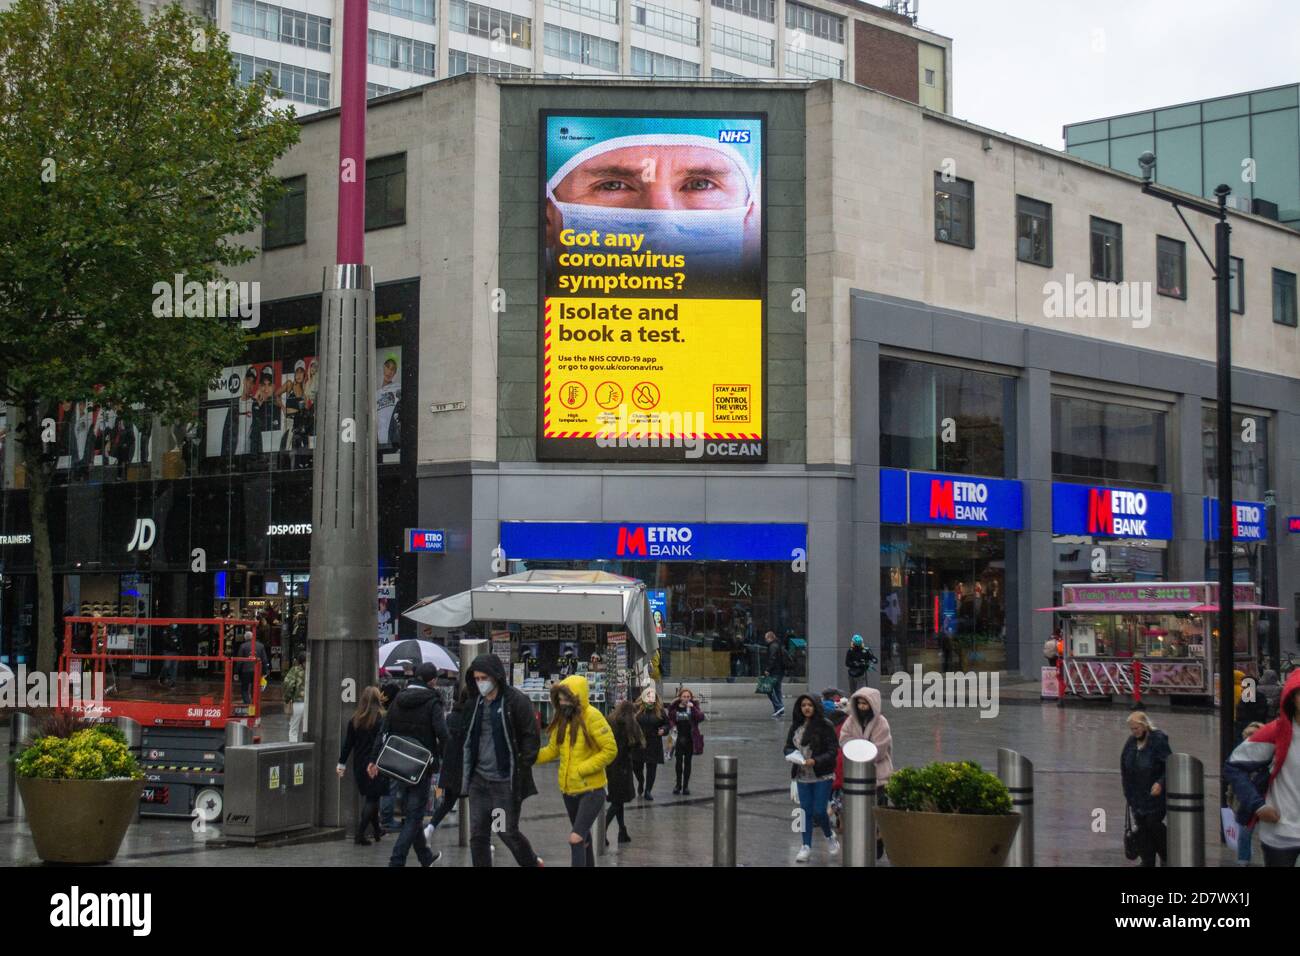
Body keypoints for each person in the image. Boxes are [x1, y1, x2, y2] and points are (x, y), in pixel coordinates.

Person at [457, 653, 543, 868]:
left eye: (483, 678)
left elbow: (530, 736)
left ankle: (531, 862)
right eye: (476, 679)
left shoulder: (515, 701)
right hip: (479, 782)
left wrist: (523, 764)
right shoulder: (474, 703)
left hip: (504, 782)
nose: (480, 683)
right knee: (478, 835)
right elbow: (464, 737)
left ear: (496, 677)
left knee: (505, 831)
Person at [367, 662, 448, 867]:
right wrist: (445, 758)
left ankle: (425, 857)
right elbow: (442, 734)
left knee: (413, 813)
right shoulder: (433, 702)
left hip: (399, 764)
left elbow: (384, 731)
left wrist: (373, 759)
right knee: (414, 815)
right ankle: (397, 860)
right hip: (421, 767)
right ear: (432, 681)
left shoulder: (398, 700)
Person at [536, 675, 617, 867]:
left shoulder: (593, 716)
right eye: (560, 699)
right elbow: (552, 750)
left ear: (577, 697)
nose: (563, 703)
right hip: (569, 791)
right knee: (583, 840)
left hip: (591, 791)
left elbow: (610, 749)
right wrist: (529, 756)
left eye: (567, 698)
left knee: (575, 838)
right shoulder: (563, 719)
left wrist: (583, 769)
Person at [1224, 670, 1300, 867]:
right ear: (1292, 697)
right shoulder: (1276, 731)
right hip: (1281, 835)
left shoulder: (1250, 691)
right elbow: (1234, 766)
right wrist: (1258, 805)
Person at [785, 694, 840, 862]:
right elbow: (787, 747)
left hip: (822, 774)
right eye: (803, 705)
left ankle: (830, 836)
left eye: (810, 705)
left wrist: (815, 761)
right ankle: (806, 846)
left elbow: (833, 751)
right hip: (802, 775)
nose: (806, 708)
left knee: (819, 810)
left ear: (816, 706)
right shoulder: (796, 726)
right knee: (805, 811)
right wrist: (792, 756)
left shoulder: (825, 725)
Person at [337, 686, 387, 845]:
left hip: (359, 764)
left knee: (372, 797)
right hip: (376, 764)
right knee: (372, 799)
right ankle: (360, 834)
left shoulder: (355, 719)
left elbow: (348, 744)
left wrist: (341, 764)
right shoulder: (381, 719)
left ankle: (377, 831)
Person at [1120, 711, 1171, 867]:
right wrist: (1128, 792)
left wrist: (1160, 783)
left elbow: (1169, 765)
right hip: (1136, 796)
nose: (1134, 732)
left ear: (1144, 725)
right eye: (1132, 729)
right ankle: (1147, 861)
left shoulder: (1158, 740)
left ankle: (1166, 853)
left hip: (1154, 796)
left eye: (1136, 728)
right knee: (1141, 828)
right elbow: (1124, 765)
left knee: (1153, 823)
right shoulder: (1131, 742)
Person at [423, 684, 470, 846]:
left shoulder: (451, 717)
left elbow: (444, 742)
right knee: (483, 802)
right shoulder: (472, 718)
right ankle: (487, 837)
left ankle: (429, 828)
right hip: (468, 768)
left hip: (450, 766)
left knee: (447, 803)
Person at [604, 700, 643, 846]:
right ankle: (603, 830)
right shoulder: (630, 724)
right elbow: (638, 744)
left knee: (617, 801)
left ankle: (622, 831)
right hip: (623, 767)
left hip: (610, 766)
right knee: (617, 802)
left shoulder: (609, 721)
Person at [1230, 721, 1266, 866]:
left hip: (1264, 799)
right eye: (1249, 735)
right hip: (1247, 801)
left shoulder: (1268, 753)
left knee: (1266, 834)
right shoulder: (1239, 754)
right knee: (1245, 833)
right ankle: (1243, 861)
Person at [632, 686, 669, 801]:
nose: (650, 698)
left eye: (652, 696)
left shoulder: (660, 711)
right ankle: (641, 780)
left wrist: (664, 729)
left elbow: (667, 724)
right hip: (638, 743)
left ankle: (648, 790)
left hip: (654, 742)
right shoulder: (636, 709)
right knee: (636, 766)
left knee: (651, 767)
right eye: (648, 695)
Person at [666, 687, 704, 795]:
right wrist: (673, 727)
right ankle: (678, 784)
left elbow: (701, 718)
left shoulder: (694, 707)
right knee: (678, 763)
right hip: (678, 738)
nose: (686, 699)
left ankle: (686, 786)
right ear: (680, 697)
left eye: (688, 697)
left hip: (690, 738)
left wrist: (693, 708)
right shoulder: (675, 708)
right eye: (684, 696)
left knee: (688, 763)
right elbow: (670, 719)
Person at [377, 680, 402, 832]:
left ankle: (384, 816)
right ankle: (387, 818)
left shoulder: (379, 713)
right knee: (390, 787)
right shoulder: (391, 714)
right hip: (390, 753)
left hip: (380, 754)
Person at [235, 629, 270, 705]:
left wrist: (236, 672)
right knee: (255, 688)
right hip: (257, 670)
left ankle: (247, 703)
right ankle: (254, 703)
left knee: (244, 688)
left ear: (245, 638)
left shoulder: (243, 646)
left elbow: (239, 660)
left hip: (245, 671)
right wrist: (265, 671)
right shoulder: (260, 646)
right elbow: (264, 659)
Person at [283, 652, 307, 743]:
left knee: (293, 729)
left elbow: (288, 685)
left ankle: (293, 750)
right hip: (311, 704)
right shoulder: (315, 669)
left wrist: (287, 699)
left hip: (298, 702)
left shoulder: (295, 670)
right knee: (308, 730)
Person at [762, 630, 787, 718]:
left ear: (770, 638)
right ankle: (780, 710)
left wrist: (767, 669)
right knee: (777, 690)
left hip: (774, 672)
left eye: (766, 638)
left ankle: (779, 707)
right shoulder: (778, 645)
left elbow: (772, 659)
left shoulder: (772, 646)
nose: (765, 640)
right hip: (780, 672)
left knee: (768, 690)